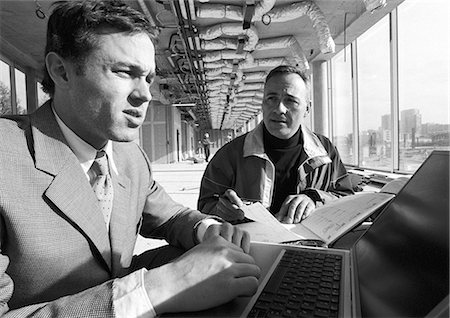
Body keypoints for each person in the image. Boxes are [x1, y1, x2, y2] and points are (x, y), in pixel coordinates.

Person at [0, 1, 260, 316]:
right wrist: (155, 289)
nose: (145, 94)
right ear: (61, 71)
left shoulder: (128, 155)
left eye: (148, 78)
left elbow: (170, 217)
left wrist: (208, 229)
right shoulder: (6, 158)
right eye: (125, 72)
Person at [198, 65, 354, 224]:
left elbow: (348, 200)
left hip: (311, 245)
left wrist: (315, 199)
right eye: (271, 98)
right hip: (249, 246)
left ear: (307, 109)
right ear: (262, 104)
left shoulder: (325, 152)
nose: (279, 109)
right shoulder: (231, 155)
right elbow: (205, 205)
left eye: (290, 101)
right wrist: (221, 210)